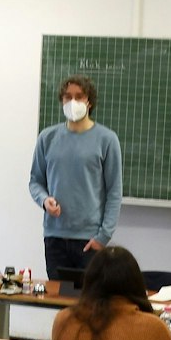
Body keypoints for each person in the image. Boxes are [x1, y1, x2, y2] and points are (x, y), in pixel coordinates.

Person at [29, 75, 123, 280]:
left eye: (79, 97)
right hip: (54, 239)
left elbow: (114, 192)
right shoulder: (47, 137)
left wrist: (103, 237)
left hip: (89, 241)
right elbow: (35, 181)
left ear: (89, 101)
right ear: (61, 100)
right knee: (60, 306)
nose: (73, 102)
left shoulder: (107, 140)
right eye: (67, 97)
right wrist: (45, 200)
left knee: (90, 306)